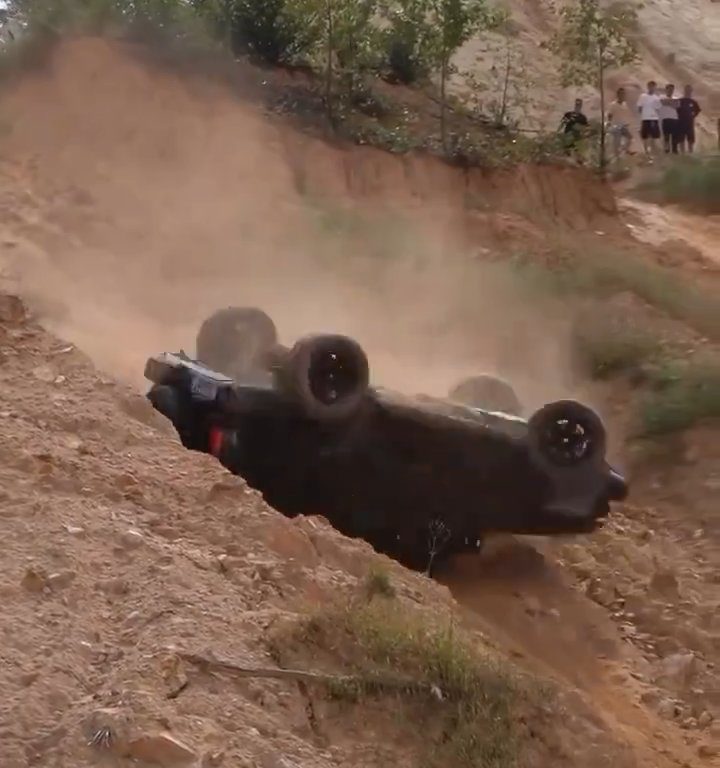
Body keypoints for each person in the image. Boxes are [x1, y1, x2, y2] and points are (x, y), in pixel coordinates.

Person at [606, 87, 635, 160]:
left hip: (623, 125)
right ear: (618, 95)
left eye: (624, 94)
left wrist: (627, 123)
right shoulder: (613, 104)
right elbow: (610, 114)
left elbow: (625, 114)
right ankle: (617, 156)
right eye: (621, 94)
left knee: (630, 138)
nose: (623, 95)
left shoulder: (624, 104)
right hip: (615, 126)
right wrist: (609, 123)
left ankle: (624, 150)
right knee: (617, 142)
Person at [637, 81, 663, 160]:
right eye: (650, 86)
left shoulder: (656, 98)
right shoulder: (643, 96)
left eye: (653, 86)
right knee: (645, 137)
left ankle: (653, 153)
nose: (651, 88)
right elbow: (639, 107)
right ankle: (647, 153)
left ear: (655, 87)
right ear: (648, 86)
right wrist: (643, 115)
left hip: (654, 119)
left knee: (654, 137)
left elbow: (658, 109)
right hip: (645, 118)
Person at [676, 84, 701, 154]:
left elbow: (698, 110)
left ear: (691, 91)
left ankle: (691, 153)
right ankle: (682, 153)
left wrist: (693, 116)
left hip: (690, 123)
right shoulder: (680, 101)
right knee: (681, 139)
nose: (688, 92)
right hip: (681, 123)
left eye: (689, 90)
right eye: (687, 90)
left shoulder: (693, 102)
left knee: (690, 139)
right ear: (684, 91)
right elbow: (675, 110)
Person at [658, 83, 680, 154]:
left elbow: (677, 105)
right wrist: (671, 103)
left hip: (674, 118)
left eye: (672, 90)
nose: (671, 91)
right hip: (665, 118)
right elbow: (663, 102)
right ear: (666, 90)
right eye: (669, 89)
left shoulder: (676, 98)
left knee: (675, 136)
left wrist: (668, 102)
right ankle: (666, 150)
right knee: (666, 136)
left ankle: (674, 150)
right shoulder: (661, 97)